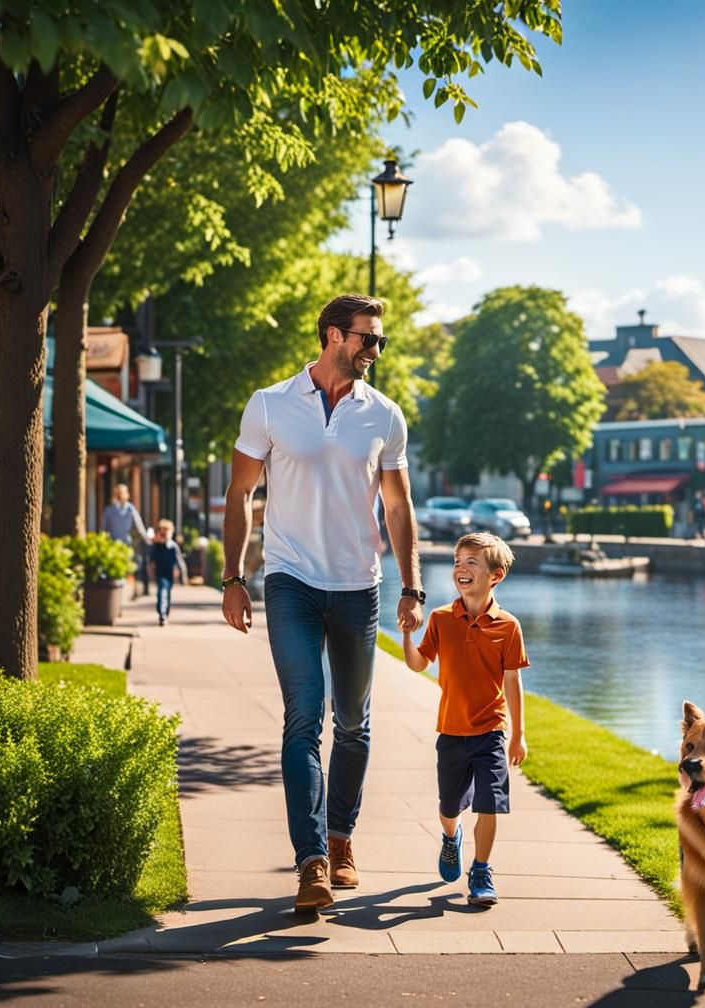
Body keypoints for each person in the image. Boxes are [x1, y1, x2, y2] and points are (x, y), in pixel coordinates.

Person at [221, 293, 424, 912]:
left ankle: (340, 840)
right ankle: (311, 861)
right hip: (291, 581)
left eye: (379, 339)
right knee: (303, 716)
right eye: (368, 338)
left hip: (358, 586)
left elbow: (397, 506)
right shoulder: (270, 404)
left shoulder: (384, 414)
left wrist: (411, 586)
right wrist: (233, 577)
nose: (376, 350)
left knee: (354, 723)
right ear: (334, 335)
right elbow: (241, 492)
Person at [401, 532, 529, 907]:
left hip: (491, 731)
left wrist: (518, 735)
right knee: (449, 806)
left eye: (472, 562)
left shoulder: (509, 626)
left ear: (496, 575)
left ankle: (482, 870)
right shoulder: (441, 619)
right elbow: (419, 664)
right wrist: (407, 637)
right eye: (458, 561)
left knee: (490, 803)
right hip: (452, 731)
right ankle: (450, 837)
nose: (461, 568)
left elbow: (513, 680)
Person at [102, 483, 151, 596]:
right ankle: (117, 592)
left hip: (126, 544)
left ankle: (133, 590)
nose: (121, 496)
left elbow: (139, 525)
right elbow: (104, 528)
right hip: (113, 544)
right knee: (115, 568)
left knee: (131, 567)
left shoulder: (130, 509)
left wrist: (146, 538)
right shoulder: (109, 510)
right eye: (118, 493)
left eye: (123, 493)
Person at [149, 519, 188, 626]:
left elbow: (179, 561)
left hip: (169, 574)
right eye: (161, 531)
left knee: (167, 593)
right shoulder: (156, 546)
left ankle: (164, 613)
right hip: (159, 573)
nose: (164, 533)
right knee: (162, 592)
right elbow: (151, 560)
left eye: (166, 531)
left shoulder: (173, 546)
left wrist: (183, 576)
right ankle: (162, 614)